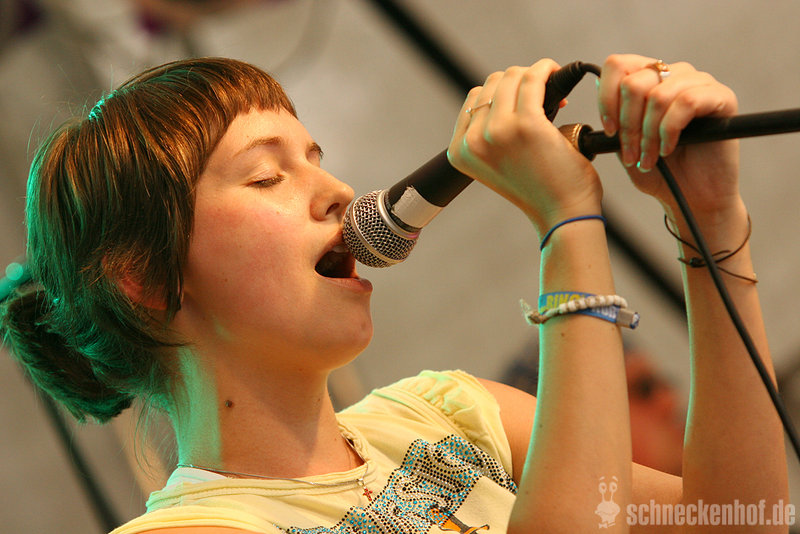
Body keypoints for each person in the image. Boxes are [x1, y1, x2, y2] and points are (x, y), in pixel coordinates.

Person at [0, 54, 789, 533]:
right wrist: (567, 225)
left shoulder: (447, 412)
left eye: (316, 159)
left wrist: (710, 220)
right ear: (146, 281)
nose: (338, 192)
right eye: (267, 176)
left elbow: (738, 522)